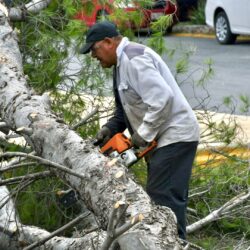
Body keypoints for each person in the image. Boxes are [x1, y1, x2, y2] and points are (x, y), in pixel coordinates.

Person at [80, 21, 199, 239]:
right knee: (163, 200)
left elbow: (162, 99)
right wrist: (110, 128)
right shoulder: (120, 65)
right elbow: (124, 108)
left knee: (164, 201)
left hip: (175, 135)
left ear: (108, 42)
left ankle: (172, 243)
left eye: (94, 50)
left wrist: (141, 135)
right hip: (163, 139)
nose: (93, 56)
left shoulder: (134, 59)